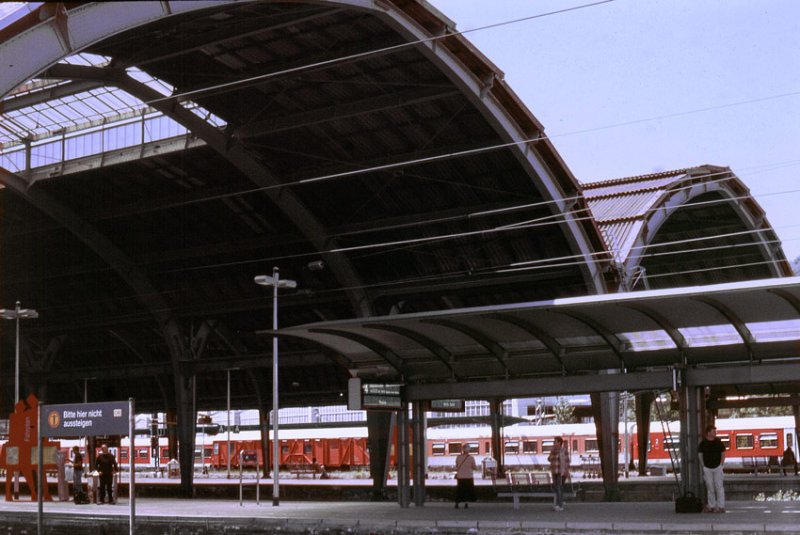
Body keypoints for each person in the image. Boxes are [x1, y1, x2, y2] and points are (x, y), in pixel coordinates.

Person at [698, 425, 726, 513]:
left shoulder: (718, 442)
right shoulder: (703, 443)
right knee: (710, 487)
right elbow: (700, 454)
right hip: (707, 468)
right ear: (708, 433)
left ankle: (721, 506)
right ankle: (712, 505)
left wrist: (721, 464)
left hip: (717, 467)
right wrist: (703, 465)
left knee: (719, 486)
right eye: (713, 431)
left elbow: (723, 453)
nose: (715, 433)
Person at [547, 436, 570, 512]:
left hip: (561, 472)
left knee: (559, 488)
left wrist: (566, 471)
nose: (554, 443)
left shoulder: (563, 451)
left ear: (559, 443)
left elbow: (567, 461)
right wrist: (552, 453)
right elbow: (549, 459)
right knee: (556, 488)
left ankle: (560, 505)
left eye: (555, 442)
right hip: (554, 471)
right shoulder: (553, 451)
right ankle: (558, 504)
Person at [454, 443, 477, 509]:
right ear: (469, 450)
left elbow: (457, 465)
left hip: (460, 476)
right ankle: (466, 503)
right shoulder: (471, 458)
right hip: (468, 476)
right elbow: (474, 467)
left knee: (460, 490)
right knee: (467, 491)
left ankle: (457, 503)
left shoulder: (458, 457)